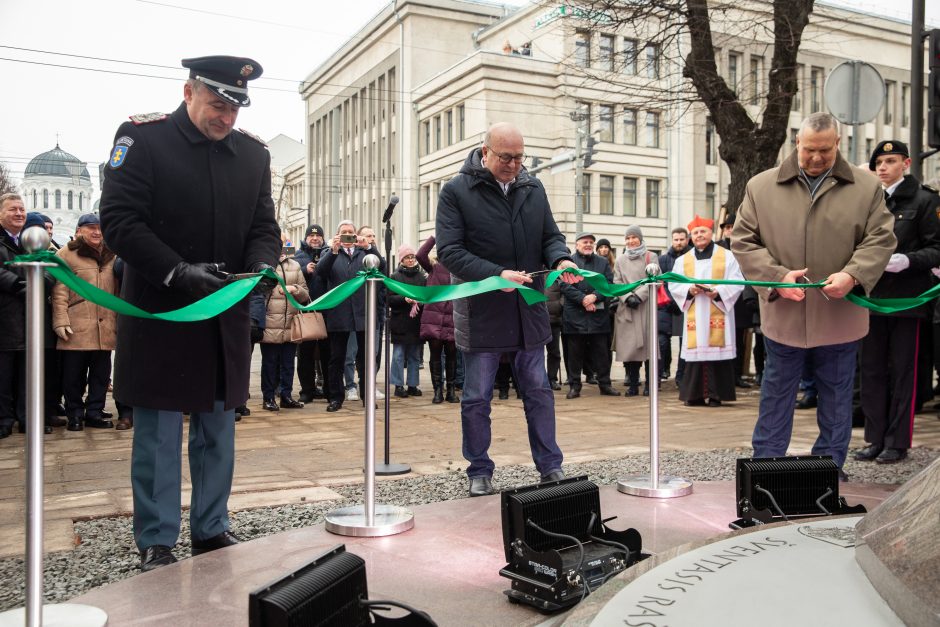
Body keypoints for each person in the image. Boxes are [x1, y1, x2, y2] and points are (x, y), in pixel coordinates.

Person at [99, 55, 281, 572]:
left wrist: (262, 266)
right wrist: (178, 272)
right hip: (162, 308)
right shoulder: (143, 139)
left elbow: (262, 226)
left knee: (217, 426)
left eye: (234, 109)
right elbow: (119, 221)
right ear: (188, 92)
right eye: (216, 104)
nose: (225, 118)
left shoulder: (252, 155)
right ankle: (157, 537)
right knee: (157, 430)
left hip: (222, 312)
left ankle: (211, 526)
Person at [732, 112, 895, 476]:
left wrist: (852, 275)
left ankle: (829, 467)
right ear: (797, 144)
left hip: (839, 314)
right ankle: (765, 468)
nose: (817, 158)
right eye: (809, 150)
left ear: (838, 144)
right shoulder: (761, 186)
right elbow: (742, 241)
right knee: (776, 394)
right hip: (784, 315)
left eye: (825, 150)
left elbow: (880, 239)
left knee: (836, 397)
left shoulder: (866, 187)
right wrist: (777, 277)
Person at [436, 122, 581, 497]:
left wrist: (562, 259)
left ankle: (550, 467)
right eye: (505, 157)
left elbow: (550, 236)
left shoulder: (533, 188)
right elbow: (450, 252)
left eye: (519, 157)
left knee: (539, 392)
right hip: (483, 310)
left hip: (527, 310)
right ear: (485, 153)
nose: (514, 165)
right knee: (477, 396)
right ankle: (479, 470)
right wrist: (496, 274)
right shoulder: (456, 191)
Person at [856, 140, 940, 464]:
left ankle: (898, 441)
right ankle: (875, 438)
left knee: (903, 371)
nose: (882, 167)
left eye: (890, 161)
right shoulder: (869, 202)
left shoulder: (924, 201)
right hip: (873, 299)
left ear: (905, 164)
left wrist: (907, 260)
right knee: (872, 370)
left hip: (907, 299)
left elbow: (936, 248)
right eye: (878, 161)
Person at [51, 213, 118, 431]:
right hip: (77, 325)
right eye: (90, 227)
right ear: (80, 230)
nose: (97, 232)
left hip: (105, 325)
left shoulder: (112, 255)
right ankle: (75, 414)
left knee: (100, 374)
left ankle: (95, 413)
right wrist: (60, 320)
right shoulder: (67, 254)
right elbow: (59, 290)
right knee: (73, 376)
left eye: (100, 227)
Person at [669, 216, 744, 406]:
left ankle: (716, 395)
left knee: (717, 352)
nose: (699, 235)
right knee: (696, 353)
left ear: (711, 233)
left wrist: (719, 292)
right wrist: (688, 290)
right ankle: (694, 395)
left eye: (703, 231)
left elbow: (737, 281)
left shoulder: (726, 256)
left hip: (717, 309)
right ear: (690, 237)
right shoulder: (683, 260)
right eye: (695, 232)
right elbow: (674, 284)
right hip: (695, 309)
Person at [314, 220, 381, 412]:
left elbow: (381, 266)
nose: (348, 236)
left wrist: (369, 246)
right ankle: (336, 398)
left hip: (363, 313)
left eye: (351, 232)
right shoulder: (330, 253)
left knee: (366, 359)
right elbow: (320, 273)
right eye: (344, 233)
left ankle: (367, 397)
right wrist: (333, 251)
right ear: (337, 236)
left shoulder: (364, 253)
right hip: (339, 314)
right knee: (337, 358)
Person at [561, 232, 620, 399]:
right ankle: (574, 386)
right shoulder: (568, 263)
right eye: (584, 242)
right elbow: (564, 285)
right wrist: (583, 299)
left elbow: (608, 283)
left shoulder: (602, 262)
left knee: (602, 353)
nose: (588, 244)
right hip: (575, 315)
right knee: (574, 354)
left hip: (598, 315)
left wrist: (594, 297)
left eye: (591, 242)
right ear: (577, 244)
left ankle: (605, 384)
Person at [258, 247, 310, 411]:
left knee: (288, 363)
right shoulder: (263, 266)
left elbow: (305, 294)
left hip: (291, 322)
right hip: (270, 321)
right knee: (270, 363)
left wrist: (296, 289)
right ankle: (268, 398)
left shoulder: (294, 265)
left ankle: (286, 396)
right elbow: (257, 292)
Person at [613, 226, 657, 396]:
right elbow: (617, 282)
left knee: (649, 349)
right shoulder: (620, 260)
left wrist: (638, 296)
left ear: (640, 238)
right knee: (630, 350)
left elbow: (654, 279)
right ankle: (632, 384)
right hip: (627, 309)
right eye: (628, 238)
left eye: (634, 237)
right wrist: (626, 297)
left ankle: (650, 385)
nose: (631, 241)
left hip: (645, 307)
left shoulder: (650, 256)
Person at [417, 235, 459, 403]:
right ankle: (437, 391)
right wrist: (435, 237)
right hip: (433, 318)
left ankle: (451, 390)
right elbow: (420, 254)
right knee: (435, 355)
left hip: (453, 318)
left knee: (452, 355)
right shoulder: (434, 267)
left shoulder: (459, 270)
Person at [294, 224, 329, 403]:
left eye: (318, 236)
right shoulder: (298, 257)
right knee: (305, 354)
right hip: (306, 311)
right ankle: (307, 390)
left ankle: (328, 388)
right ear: (306, 238)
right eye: (311, 236)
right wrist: (304, 270)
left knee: (327, 353)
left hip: (327, 311)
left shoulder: (329, 253)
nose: (315, 239)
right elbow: (291, 278)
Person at [388, 244, 426, 398]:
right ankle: (398, 385)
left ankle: (412, 384)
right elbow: (390, 299)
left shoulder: (422, 276)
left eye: (412, 257)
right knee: (398, 355)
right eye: (407, 257)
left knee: (415, 356)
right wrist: (404, 299)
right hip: (400, 322)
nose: (410, 260)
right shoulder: (395, 277)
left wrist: (421, 301)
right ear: (401, 260)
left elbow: (425, 294)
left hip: (416, 322)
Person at [658, 228, 689, 384]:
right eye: (676, 239)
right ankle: (662, 372)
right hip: (666, 305)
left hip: (687, 303)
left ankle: (681, 376)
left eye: (681, 239)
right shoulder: (663, 259)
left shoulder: (692, 258)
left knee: (686, 342)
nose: (678, 242)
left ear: (687, 240)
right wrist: (671, 300)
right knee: (662, 341)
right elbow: (661, 283)